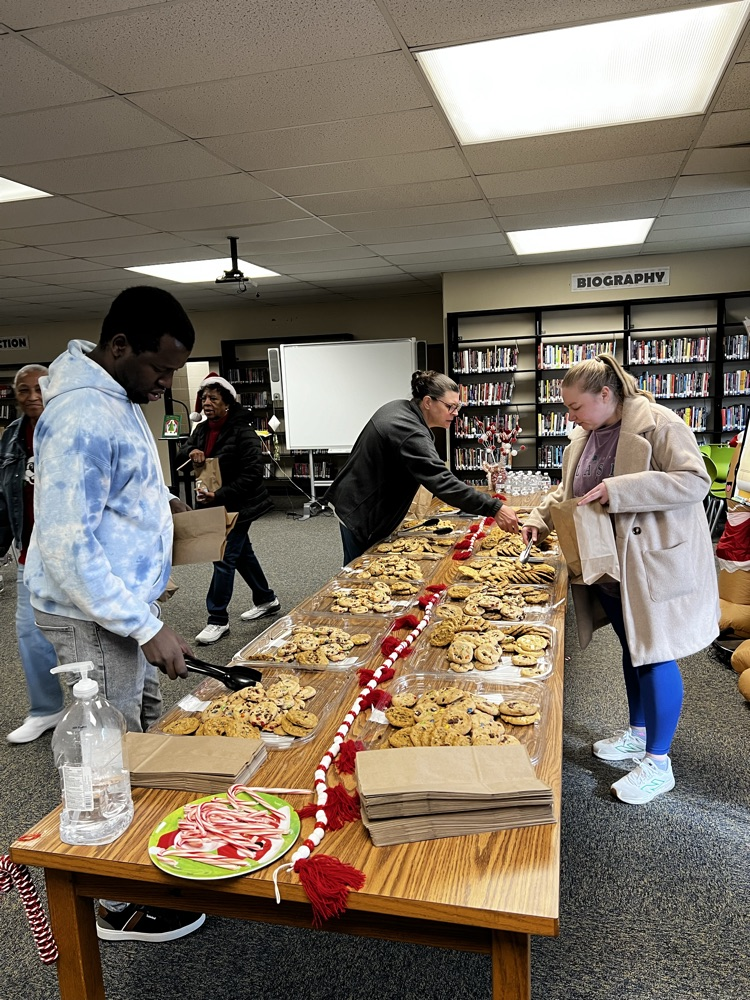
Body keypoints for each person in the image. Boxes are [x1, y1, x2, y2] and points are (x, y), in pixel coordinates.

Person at [25, 285, 206, 942]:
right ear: (120, 346)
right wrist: (147, 627)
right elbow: (67, 542)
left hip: (119, 609)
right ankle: (117, 905)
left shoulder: (117, 393)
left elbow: (116, 484)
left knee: (142, 734)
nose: (164, 383)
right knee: (108, 754)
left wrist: (162, 503)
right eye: (159, 369)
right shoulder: (82, 415)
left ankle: (145, 874)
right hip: (92, 617)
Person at [522, 354, 719, 805]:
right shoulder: (583, 436)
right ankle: (637, 735)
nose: (569, 416)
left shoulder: (662, 424)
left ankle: (659, 763)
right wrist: (539, 517)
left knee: (655, 655)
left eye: (575, 406)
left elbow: (694, 481)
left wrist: (621, 490)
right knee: (634, 652)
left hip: (650, 563)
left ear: (606, 395)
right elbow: (568, 491)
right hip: (608, 564)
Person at [326, 370, 520, 563]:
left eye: (458, 407)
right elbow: (441, 481)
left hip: (357, 501)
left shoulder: (401, 409)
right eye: (450, 407)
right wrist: (495, 508)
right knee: (359, 573)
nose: (455, 413)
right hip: (361, 512)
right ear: (428, 402)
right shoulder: (408, 430)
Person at [178, 374, 278, 644]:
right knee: (242, 553)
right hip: (216, 504)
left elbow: (253, 474)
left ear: (227, 404)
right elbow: (182, 452)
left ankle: (217, 619)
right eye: (205, 398)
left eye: (214, 398)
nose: (207, 403)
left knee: (223, 557)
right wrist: (192, 451)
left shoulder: (242, 430)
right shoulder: (202, 429)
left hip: (241, 505)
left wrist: (220, 494)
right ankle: (267, 599)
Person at [1, 365, 65, 743]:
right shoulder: (11, 437)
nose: (31, 396)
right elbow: (4, 498)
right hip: (31, 555)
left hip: (76, 554)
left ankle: (108, 709)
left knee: (94, 632)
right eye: (22, 390)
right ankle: (46, 709)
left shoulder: (71, 426)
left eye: (39, 387)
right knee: (30, 632)